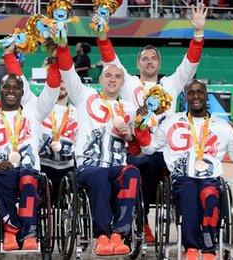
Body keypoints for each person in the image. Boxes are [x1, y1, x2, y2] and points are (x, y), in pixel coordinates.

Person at [94, 3, 208, 243]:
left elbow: (190, 65)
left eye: (153, 58)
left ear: (158, 63)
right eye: (144, 58)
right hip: (134, 149)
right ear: (137, 65)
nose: (149, 61)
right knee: (140, 164)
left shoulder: (171, 84)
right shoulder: (128, 83)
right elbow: (109, 58)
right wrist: (102, 33)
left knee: (155, 163)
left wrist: (198, 33)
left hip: (165, 151)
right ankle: (141, 221)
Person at [132, 79, 233, 259]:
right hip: (182, 178)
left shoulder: (222, 126)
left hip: (210, 179)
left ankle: (209, 248)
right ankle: (191, 248)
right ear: (185, 97)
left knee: (210, 195)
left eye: (200, 92)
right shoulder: (171, 121)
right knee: (188, 194)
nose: (196, 96)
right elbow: (148, 148)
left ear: (206, 96)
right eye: (191, 92)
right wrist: (140, 124)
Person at [56, 34, 141, 256]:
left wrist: (131, 137)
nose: (112, 79)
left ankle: (118, 233)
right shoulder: (85, 96)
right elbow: (67, 72)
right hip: (89, 167)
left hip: (117, 167)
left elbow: (138, 149)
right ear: (101, 79)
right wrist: (63, 46)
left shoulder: (131, 110)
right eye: (108, 75)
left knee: (132, 173)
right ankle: (101, 235)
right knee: (100, 177)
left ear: (123, 83)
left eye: (117, 77)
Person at [0, 68, 60, 251]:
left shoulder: (34, 115)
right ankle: (11, 230)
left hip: (29, 172)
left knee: (27, 178)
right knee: (6, 175)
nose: (11, 91)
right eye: (6, 87)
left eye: (16, 87)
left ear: (22, 92)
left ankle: (28, 233)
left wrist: (55, 60)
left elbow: (52, 91)